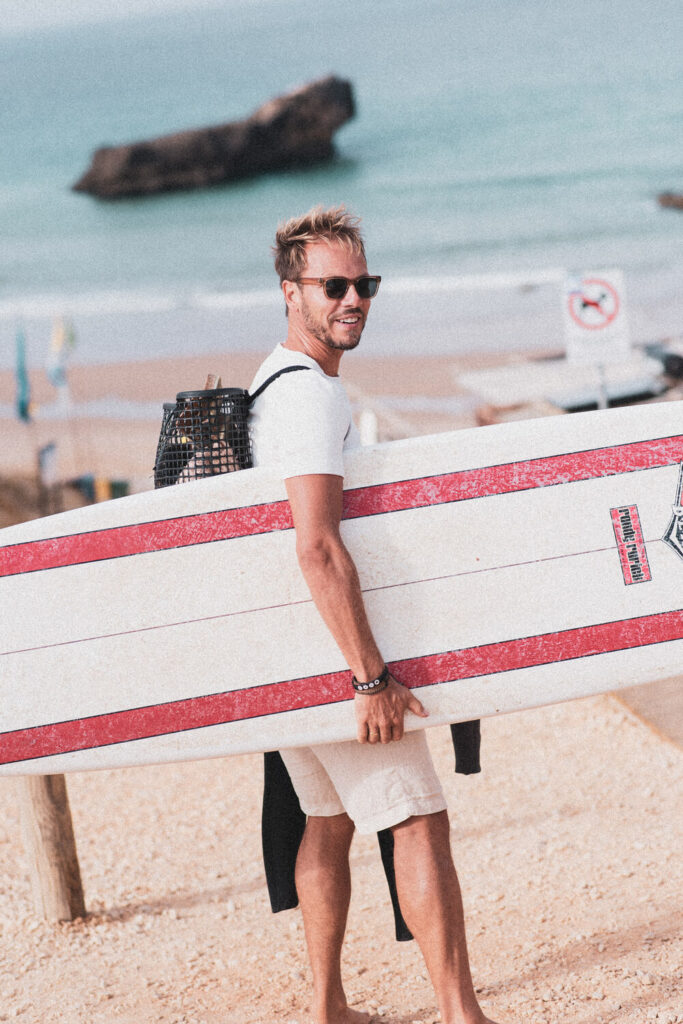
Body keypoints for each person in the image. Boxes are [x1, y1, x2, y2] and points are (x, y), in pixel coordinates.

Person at [249, 206, 501, 1024]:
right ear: (292, 292)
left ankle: (327, 1009)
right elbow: (317, 546)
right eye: (334, 285)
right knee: (418, 821)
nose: (353, 298)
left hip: (289, 652)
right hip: (336, 659)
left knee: (326, 823)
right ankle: (461, 1015)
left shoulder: (278, 378)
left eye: (364, 283)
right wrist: (371, 678)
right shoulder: (305, 399)